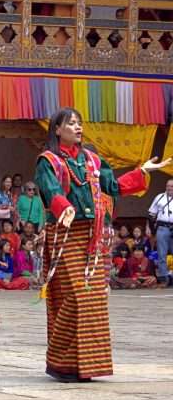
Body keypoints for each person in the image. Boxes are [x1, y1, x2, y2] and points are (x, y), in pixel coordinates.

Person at [35, 107, 169, 382]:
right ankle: (61, 361)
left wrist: (142, 171)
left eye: (80, 123)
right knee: (74, 296)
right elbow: (51, 190)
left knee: (94, 299)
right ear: (57, 129)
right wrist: (64, 208)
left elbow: (114, 186)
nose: (77, 127)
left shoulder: (93, 161)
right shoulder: (49, 161)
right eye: (71, 123)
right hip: (65, 234)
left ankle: (84, 366)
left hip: (92, 237)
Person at [148, 179, 173, 286]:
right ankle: (164, 279)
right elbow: (151, 214)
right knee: (162, 254)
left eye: (171, 186)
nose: (169, 188)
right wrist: (152, 230)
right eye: (168, 186)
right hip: (162, 228)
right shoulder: (160, 197)